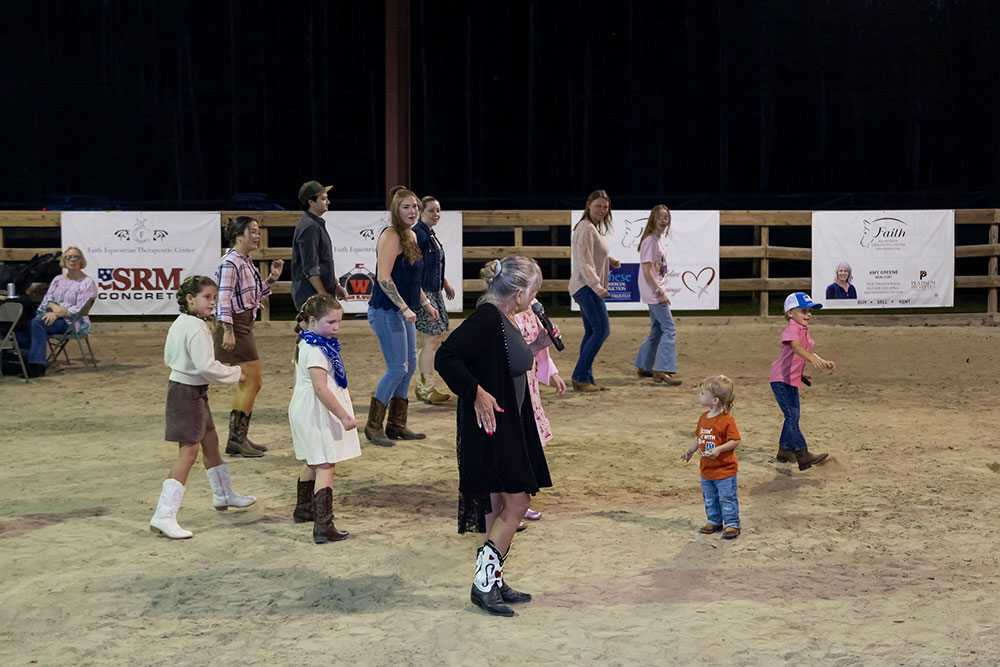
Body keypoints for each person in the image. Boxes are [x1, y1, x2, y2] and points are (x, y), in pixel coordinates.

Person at [436, 256, 553, 617]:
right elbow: (446, 356)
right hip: (493, 427)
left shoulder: (506, 319)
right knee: (517, 503)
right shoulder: (487, 319)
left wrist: (538, 346)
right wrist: (475, 392)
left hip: (506, 425)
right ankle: (483, 586)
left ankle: (492, 579)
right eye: (533, 292)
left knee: (499, 506)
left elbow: (508, 363)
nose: (535, 299)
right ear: (517, 293)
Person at [149, 276, 255, 540]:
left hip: (188, 390)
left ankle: (223, 494)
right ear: (190, 299)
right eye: (207, 297)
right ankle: (163, 515)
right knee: (189, 451)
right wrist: (235, 373)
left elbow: (168, 358)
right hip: (188, 394)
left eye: (214, 297)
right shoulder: (196, 326)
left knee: (210, 442)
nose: (213, 302)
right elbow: (206, 367)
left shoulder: (180, 323)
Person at [363, 186, 438, 447]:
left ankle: (397, 425)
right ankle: (373, 426)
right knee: (396, 369)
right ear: (396, 210)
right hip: (386, 310)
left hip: (404, 311)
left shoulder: (412, 236)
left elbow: (410, 279)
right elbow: (384, 278)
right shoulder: (391, 236)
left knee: (408, 368)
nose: (412, 211)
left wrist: (425, 303)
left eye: (415, 206)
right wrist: (405, 308)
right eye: (406, 207)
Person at [288, 294, 361, 544]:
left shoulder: (310, 342)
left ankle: (304, 508)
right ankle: (323, 525)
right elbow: (321, 388)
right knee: (326, 464)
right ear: (312, 320)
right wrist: (343, 415)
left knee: (313, 458)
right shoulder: (316, 349)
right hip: (316, 410)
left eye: (338, 322)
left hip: (308, 407)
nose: (336, 328)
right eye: (331, 322)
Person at [214, 216, 283, 458]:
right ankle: (236, 439)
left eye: (257, 231)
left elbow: (252, 296)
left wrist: (272, 278)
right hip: (237, 326)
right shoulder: (231, 263)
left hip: (243, 325)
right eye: (252, 231)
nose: (257, 235)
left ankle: (238, 438)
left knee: (249, 382)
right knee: (252, 382)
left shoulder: (244, 261)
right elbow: (222, 300)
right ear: (239, 235)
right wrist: (228, 330)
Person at [513, 296, 566, 522]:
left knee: (526, 442)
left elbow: (541, 346)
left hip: (530, 385)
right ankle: (513, 502)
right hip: (514, 384)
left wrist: (553, 373)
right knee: (518, 442)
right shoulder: (509, 315)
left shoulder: (534, 311)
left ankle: (519, 498)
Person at [770, 292, 836, 471]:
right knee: (792, 416)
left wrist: (822, 361)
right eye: (804, 311)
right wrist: (812, 359)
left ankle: (784, 451)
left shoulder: (803, 330)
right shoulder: (792, 328)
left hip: (790, 380)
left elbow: (807, 351)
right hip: (780, 380)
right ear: (790, 313)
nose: (808, 314)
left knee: (792, 416)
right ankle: (802, 453)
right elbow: (796, 347)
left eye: (810, 311)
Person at [569, 189, 620, 392]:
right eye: (598, 206)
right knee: (602, 330)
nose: (602, 210)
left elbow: (591, 254)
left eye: (605, 207)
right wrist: (597, 286)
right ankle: (580, 376)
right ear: (588, 205)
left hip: (585, 287)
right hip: (586, 287)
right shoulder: (586, 228)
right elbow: (584, 261)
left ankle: (585, 377)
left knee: (592, 331)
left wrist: (609, 260)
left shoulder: (591, 228)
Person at [21, 246, 98, 377]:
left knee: (38, 323)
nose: (72, 260)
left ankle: (36, 366)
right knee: (22, 325)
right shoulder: (57, 280)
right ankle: (22, 361)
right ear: (64, 261)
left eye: (75, 257)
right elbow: (46, 300)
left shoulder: (87, 282)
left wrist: (56, 314)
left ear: (81, 261)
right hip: (52, 317)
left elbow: (79, 308)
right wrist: (52, 306)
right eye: (68, 257)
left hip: (72, 322)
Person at [681, 375, 742, 539]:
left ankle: (732, 524)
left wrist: (719, 450)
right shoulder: (703, 418)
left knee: (727, 497)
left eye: (702, 393)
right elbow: (700, 437)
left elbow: (735, 440)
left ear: (715, 400)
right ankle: (714, 520)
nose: (699, 396)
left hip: (724, 470)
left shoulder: (726, 420)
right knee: (710, 497)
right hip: (707, 469)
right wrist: (691, 450)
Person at [413, 195, 455, 405]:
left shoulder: (429, 234)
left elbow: (431, 265)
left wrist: (444, 282)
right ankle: (426, 388)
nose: (436, 214)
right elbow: (415, 268)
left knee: (431, 340)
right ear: (421, 212)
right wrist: (424, 300)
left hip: (432, 291)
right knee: (430, 340)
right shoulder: (418, 235)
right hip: (424, 294)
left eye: (438, 210)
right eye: (431, 211)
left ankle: (424, 386)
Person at [634, 205, 682, 386]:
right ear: (653, 220)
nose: (664, 221)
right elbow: (646, 271)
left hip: (654, 291)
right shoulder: (650, 242)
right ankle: (662, 369)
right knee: (670, 329)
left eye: (666, 217)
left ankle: (644, 365)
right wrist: (658, 291)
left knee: (658, 329)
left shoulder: (658, 240)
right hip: (653, 293)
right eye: (660, 217)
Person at [291, 180, 348, 311]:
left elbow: (322, 261)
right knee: (315, 330)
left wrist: (335, 285)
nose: (328, 202)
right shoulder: (310, 227)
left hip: (316, 295)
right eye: (323, 199)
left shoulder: (314, 224)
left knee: (323, 330)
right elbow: (311, 267)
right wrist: (323, 295)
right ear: (311, 202)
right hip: (311, 296)